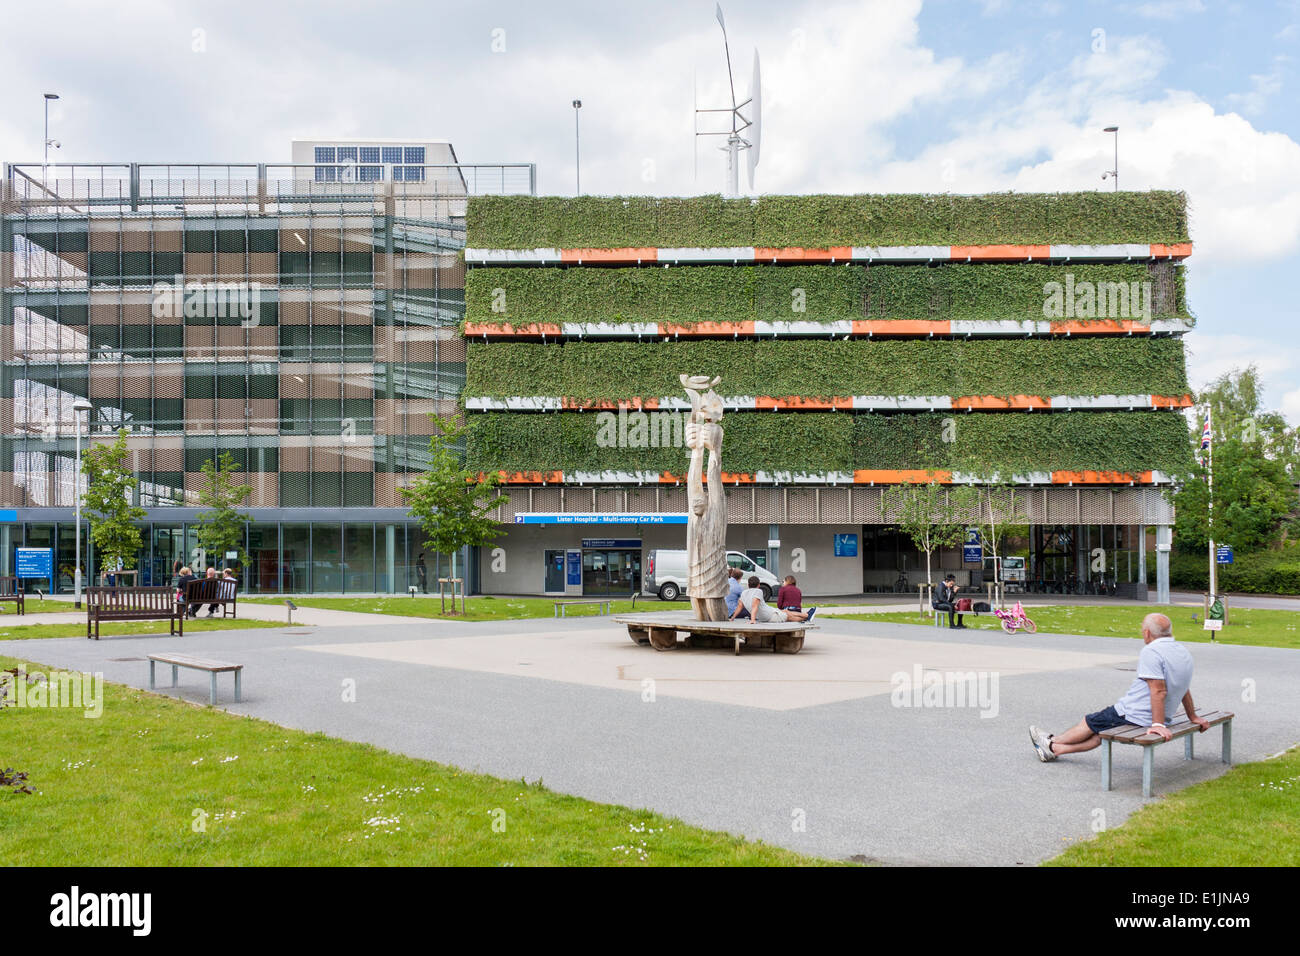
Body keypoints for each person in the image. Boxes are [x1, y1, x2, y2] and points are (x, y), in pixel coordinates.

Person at [1029, 613, 1207, 763]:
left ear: (1147, 633)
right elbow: (1184, 686)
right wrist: (1192, 716)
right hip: (1157, 716)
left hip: (1135, 713)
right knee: (1100, 734)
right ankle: (1054, 749)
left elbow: (1158, 690)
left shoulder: (1152, 651)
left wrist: (1158, 724)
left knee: (1091, 722)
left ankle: (1050, 742)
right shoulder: (1182, 651)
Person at [731, 575, 816, 624]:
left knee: (786, 612)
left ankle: (806, 615)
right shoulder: (758, 591)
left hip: (769, 612)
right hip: (771, 616)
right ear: (759, 585)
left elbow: (739, 606)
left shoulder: (744, 593)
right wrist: (752, 620)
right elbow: (755, 605)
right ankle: (806, 617)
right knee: (790, 618)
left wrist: (732, 618)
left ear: (748, 585)